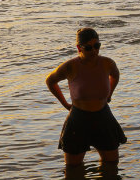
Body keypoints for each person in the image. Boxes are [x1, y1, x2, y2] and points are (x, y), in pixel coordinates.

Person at [46, 28, 127, 167]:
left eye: (97, 46)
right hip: (78, 119)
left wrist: (109, 94)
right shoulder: (70, 66)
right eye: (88, 48)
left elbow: (115, 75)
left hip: (103, 117)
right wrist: (65, 104)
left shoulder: (108, 63)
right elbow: (50, 81)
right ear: (79, 48)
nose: (94, 51)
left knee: (111, 165)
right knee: (73, 170)